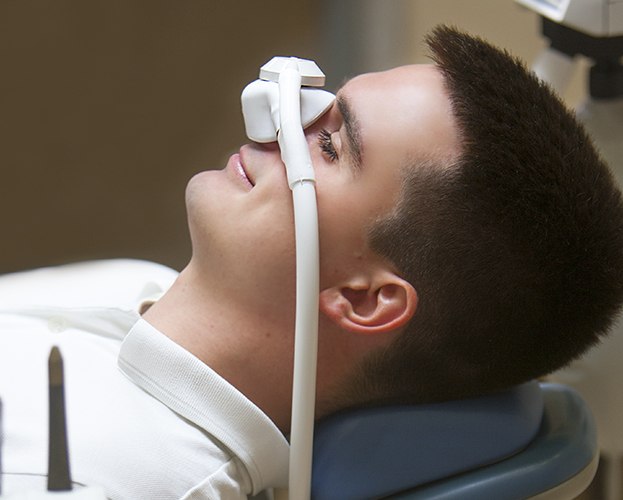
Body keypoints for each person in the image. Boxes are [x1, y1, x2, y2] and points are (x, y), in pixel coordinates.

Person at [2, 25, 623, 499]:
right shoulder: (134, 285)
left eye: (328, 143)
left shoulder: (101, 480)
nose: (278, 121)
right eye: (317, 102)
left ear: (362, 297)